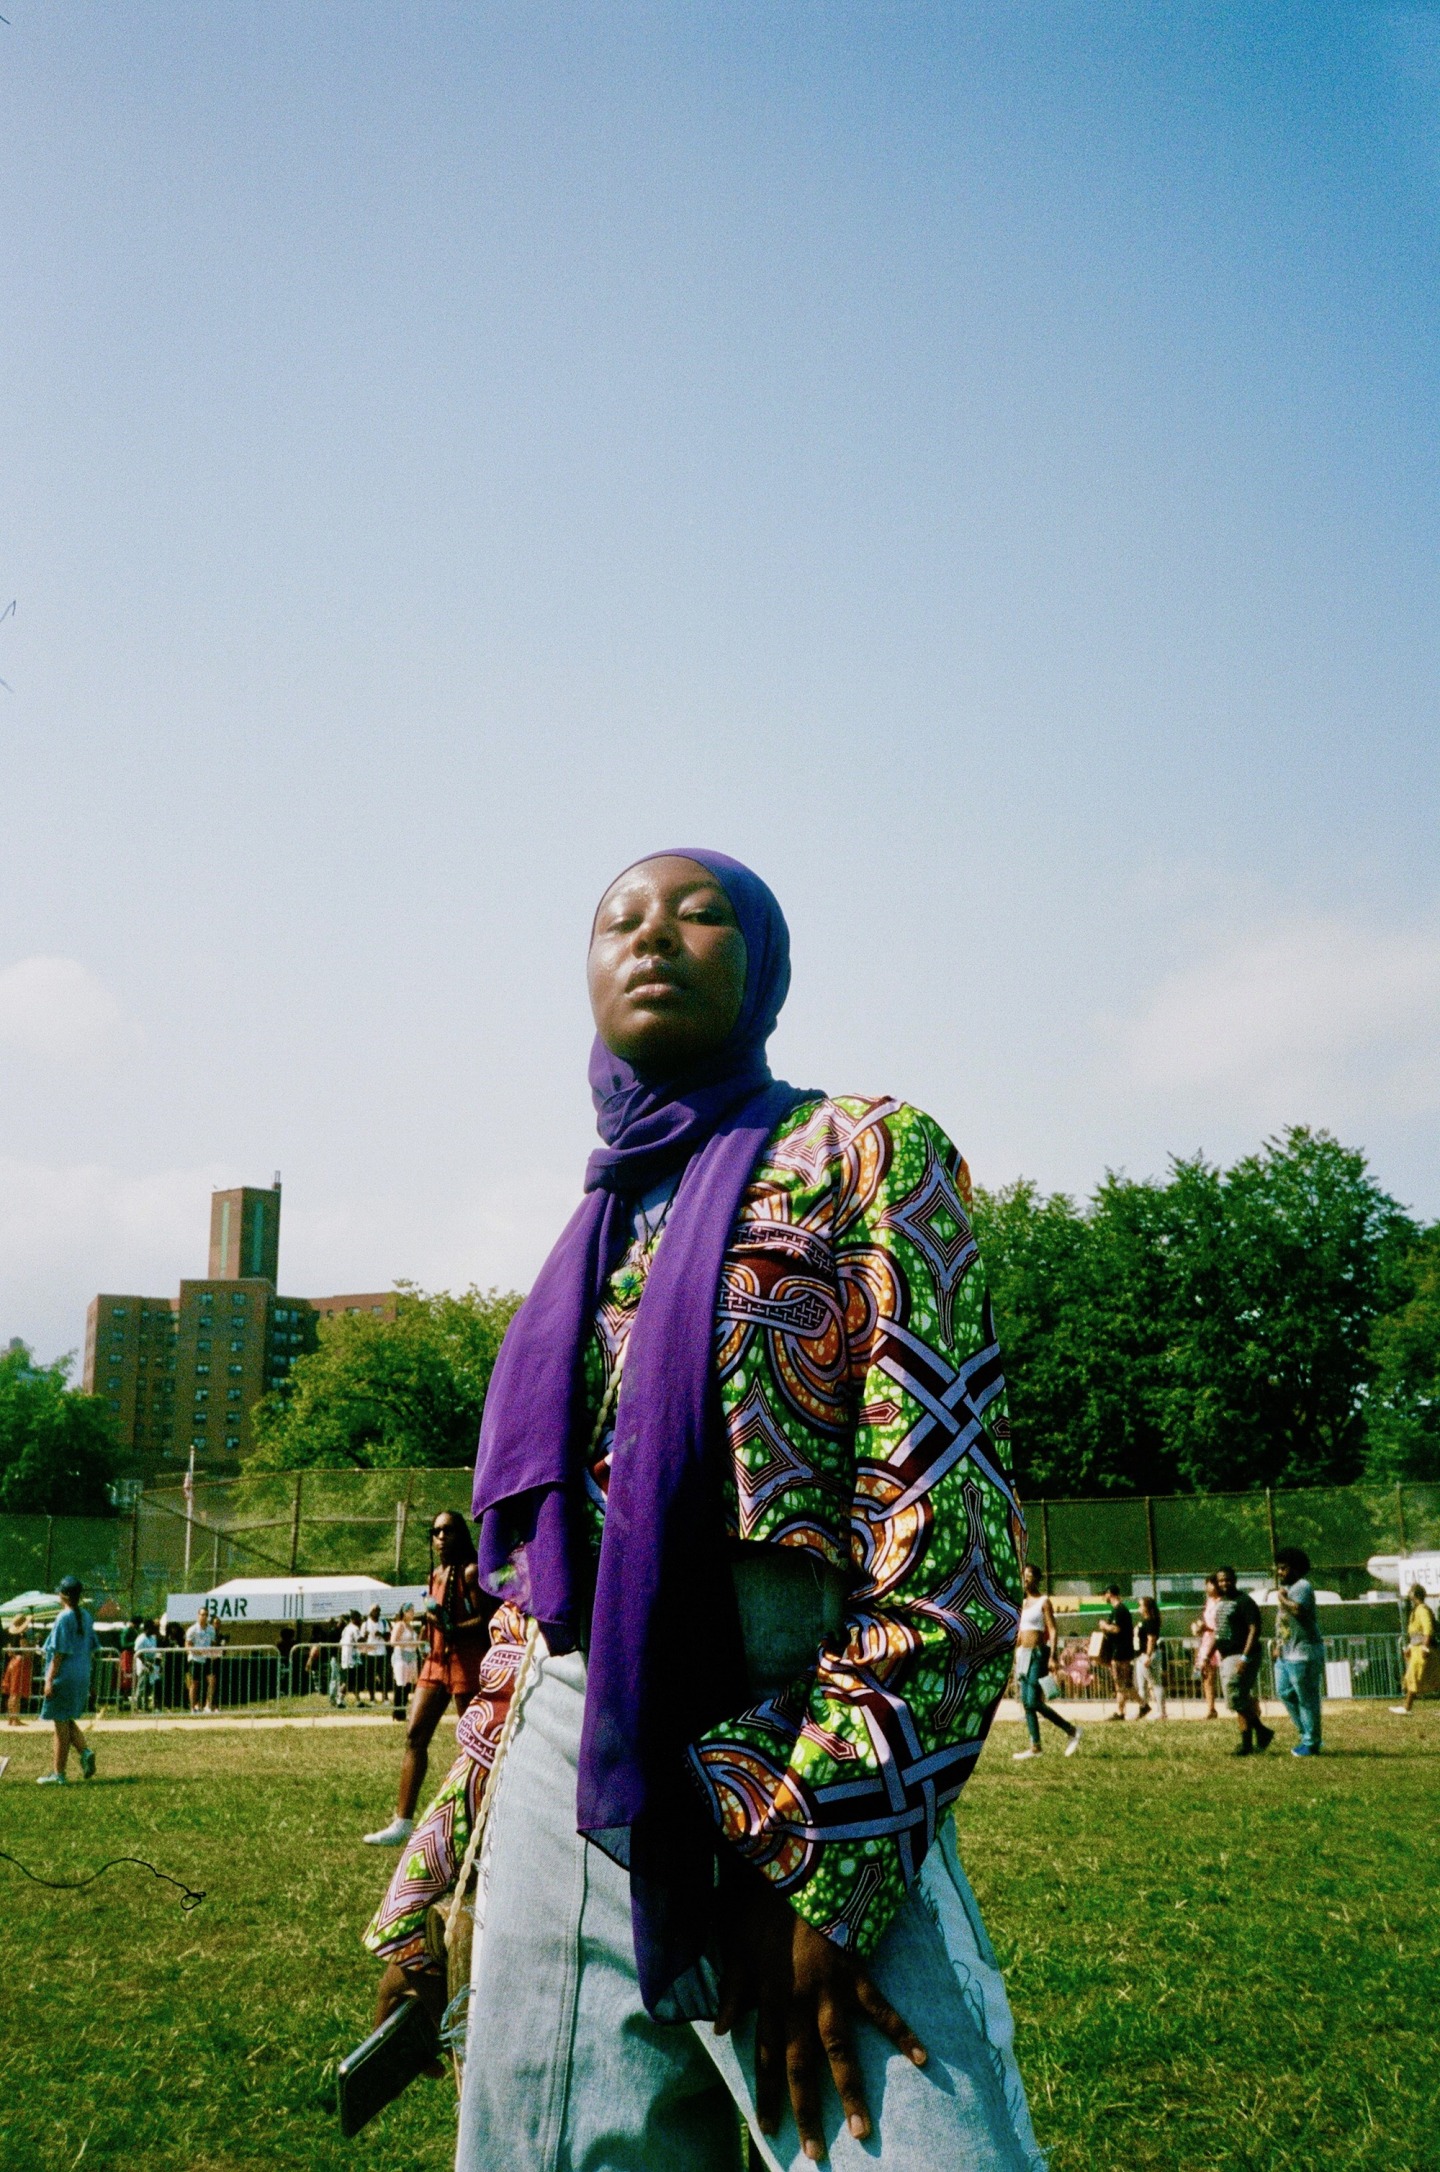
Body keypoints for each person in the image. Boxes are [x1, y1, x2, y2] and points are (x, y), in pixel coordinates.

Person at [364, 850, 1043, 2172]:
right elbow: (535, 1616)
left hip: (796, 1728)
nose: (653, 936)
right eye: (620, 918)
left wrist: (827, 1874)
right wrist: (422, 1897)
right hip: (574, 1766)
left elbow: (946, 1535)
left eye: (700, 912)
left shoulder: (862, 1150)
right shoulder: (589, 1233)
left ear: (766, 963)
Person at [364, 1512, 494, 1842]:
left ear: (461, 1535)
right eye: (435, 1531)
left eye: (447, 1531)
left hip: (466, 1663)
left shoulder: (471, 1571)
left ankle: (479, 1821)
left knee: (472, 1746)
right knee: (414, 1735)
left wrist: (452, 1627)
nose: (439, 1537)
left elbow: (485, 1620)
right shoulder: (435, 1574)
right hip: (435, 1664)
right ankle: (402, 1822)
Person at [1012, 1564, 1082, 1762]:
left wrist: (1052, 1655)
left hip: (1038, 1653)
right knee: (1026, 1703)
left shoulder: (1043, 1601)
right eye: (1023, 1576)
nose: (1024, 1579)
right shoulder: (1022, 1603)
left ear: (1036, 1579)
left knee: (1033, 1700)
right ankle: (1035, 1746)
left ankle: (1071, 1730)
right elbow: (1020, 1632)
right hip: (1023, 1653)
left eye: (1028, 1576)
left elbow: (1052, 1629)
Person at [37, 1576, 98, 1784]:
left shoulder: (63, 1618)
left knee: (60, 1726)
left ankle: (59, 1774)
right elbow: (91, 1649)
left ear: (62, 1595)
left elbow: (58, 1653)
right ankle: (85, 1751)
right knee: (65, 1717)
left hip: (64, 1675)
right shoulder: (87, 1616)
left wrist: (48, 1680)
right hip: (82, 1673)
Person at [1212, 1566, 1273, 1756]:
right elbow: (1221, 1632)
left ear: (1235, 1580)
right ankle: (1248, 1742)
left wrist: (1245, 1657)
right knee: (1239, 1697)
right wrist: (1208, 1654)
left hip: (1242, 1654)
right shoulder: (1221, 1602)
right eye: (1221, 1580)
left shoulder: (1244, 1601)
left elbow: (1254, 1629)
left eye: (1227, 1580)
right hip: (1226, 1655)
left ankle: (1261, 1731)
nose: (1224, 1583)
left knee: (1235, 1695)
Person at [1271, 1547, 1325, 1757]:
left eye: (1283, 1568)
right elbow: (1285, 1621)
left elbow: (1298, 1610)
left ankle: (1311, 1742)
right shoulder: (1288, 1588)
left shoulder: (1302, 1586)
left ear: (1295, 1568)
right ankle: (1307, 1734)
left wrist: (1282, 1598)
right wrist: (1279, 1644)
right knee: (1284, 1692)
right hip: (1286, 1652)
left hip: (1304, 1653)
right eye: (1278, 1568)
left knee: (1307, 1698)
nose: (1280, 1572)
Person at [1390, 1584, 1440, 1714]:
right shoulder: (1416, 1610)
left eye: (1410, 1593)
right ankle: (1406, 1707)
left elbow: (1427, 1629)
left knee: (1414, 1677)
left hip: (1423, 1650)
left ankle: (1407, 1708)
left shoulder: (1422, 1609)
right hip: (1417, 1648)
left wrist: (1425, 1647)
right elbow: (1415, 1632)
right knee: (1424, 1678)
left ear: (1415, 1595)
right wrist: (1410, 1647)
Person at [1099, 1583, 1137, 1720]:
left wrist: (1104, 1625)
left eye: (1105, 1593)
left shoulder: (1120, 1610)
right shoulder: (1116, 1610)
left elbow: (1116, 1629)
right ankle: (1127, 1709)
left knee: (1120, 1682)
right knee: (1121, 1683)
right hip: (1118, 1649)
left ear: (1110, 1593)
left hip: (1121, 1650)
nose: (1104, 1596)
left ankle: (1123, 1711)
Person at [1191, 1574, 1220, 1717]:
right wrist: (1200, 1628)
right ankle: (1211, 1708)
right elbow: (1208, 1622)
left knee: (1231, 1677)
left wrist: (1207, 1629)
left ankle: (1251, 1703)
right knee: (1207, 1675)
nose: (1207, 1588)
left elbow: (1222, 1627)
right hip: (1207, 1641)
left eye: (1209, 1584)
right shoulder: (1209, 1601)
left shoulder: (1223, 1602)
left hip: (1220, 1640)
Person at [1134, 1595, 1167, 1720]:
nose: (1139, 1608)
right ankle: (1143, 1709)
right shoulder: (1143, 1621)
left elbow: (1151, 1639)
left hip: (1149, 1655)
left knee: (1155, 1683)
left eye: (1141, 1605)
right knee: (1141, 1685)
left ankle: (1161, 1711)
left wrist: (1148, 1655)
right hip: (1140, 1655)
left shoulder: (1151, 1621)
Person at [185, 1605, 220, 1713]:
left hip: (207, 1658)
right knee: (195, 1683)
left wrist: (214, 1653)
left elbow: (213, 1644)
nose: (204, 1617)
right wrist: (198, 1652)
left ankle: (208, 1705)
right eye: (202, 1614)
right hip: (195, 1659)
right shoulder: (192, 1629)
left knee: (212, 1680)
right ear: (198, 1615)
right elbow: (187, 1646)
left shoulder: (211, 1629)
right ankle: (192, 1707)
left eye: (206, 1615)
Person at [389, 1603, 421, 1721]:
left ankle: (402, 1710)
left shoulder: (410, 1627)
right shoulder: (400, 1625)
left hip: (411, 1656)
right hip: (401, 1656)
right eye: (411, 1611)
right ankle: (398, 1712)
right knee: (401, 1683)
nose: (413, 1613)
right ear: (405, 1612)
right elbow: (393, 1641)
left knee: (407, 1684)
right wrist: (407, 1644)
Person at [3, 1613, 36, 1726]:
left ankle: (11, 1718)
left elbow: (9, 1652)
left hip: (12, 1662)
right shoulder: (22, 1636)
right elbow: (25, 1651)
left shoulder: (10, 1635)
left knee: (12, 1692)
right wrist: (32, 1646)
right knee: (16, 1692)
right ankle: (15, 1719)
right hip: (20, 1662)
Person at [132, 1620, 160, 1713]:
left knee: (149, 1687)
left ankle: (146, 1705)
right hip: (143, 1664)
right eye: (153, 1627)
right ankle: (138, 1706)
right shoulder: (141, 1638)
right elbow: (138, 1653)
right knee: (141, 1686)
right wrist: (146, 1663)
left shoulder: (153, 1638)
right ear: (148, 1628)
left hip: (152, 1664)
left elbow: (154, 1651)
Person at [338, 1611, 364, 1708]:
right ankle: (339, 1700)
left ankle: (358, 1701)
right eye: (359, 1618)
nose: (360, 1620)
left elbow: (341, 1644)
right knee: (347, 1681)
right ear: (354, 1619)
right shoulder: (355, 1628)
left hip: (346, 1657)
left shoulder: (346, 1629)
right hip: (351, 1659)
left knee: (354, 1681)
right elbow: (359, 1640)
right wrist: (366, 1637)